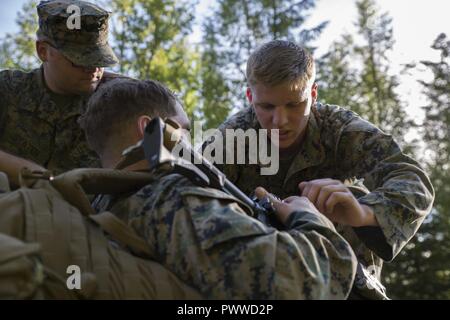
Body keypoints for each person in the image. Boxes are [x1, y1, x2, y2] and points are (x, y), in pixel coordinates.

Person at [78, 78, 358, 299]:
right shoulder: (172, 198)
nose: (189, 144)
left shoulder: (96, 208)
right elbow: (299, 284)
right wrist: (310, 219)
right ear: (149, 129)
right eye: (184, 131)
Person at [203, 40, 435, 283]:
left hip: (341, 271)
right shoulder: (232, 139)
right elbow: (184, 189)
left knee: (349, 195)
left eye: (294, 104)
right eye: (266, 106)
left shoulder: (339, 129)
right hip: (259, 268)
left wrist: (363, 213)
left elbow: (413, 180)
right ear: (250, 97)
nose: (280, 120)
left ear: (313, 94)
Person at [0, 0, 123, 187]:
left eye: (99, 59)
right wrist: (36, 176)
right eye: (80, 60)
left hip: (83, 214)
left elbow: (175, 128)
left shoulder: (117, 99)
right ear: (43, 51)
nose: (93, 70)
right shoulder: (8, 89)